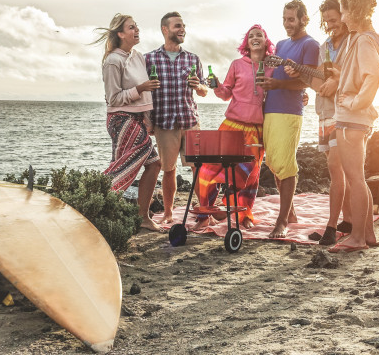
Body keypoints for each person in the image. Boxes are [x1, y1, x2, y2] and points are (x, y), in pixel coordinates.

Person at [193, 25, 276, 230]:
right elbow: (226, 94)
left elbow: (281, 92)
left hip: (256, 129)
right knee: (208, 169)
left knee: (249, 175)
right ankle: (205, 214)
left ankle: (243, 214)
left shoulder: (273, 67)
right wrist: (216, 86)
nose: (255, 38)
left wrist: (301, 96)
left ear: (266, 42)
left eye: (260, 35)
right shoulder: (237, 65)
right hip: (231, 125)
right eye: (251, 36)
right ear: (246, 44)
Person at [327, 0, 379, 253]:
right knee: (358, 177)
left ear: (356, 12)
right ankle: (369, 234)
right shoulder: (368, 39)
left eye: (344, 12)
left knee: (355, 180)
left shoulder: (363, 40)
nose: (342, 18)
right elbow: (362, 73)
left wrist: (352, 102)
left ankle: (357, 238)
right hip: (357, 118)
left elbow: (373, 76)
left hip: (352, 118)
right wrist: (343, 80)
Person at [293, 0, 353, 245]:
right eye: (326, 20)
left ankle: (331, 226)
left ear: (344, 17)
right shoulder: (325, 46)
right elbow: (318, 84)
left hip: (346, 113)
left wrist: (337, 81)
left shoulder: (353, 42)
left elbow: (356, 75)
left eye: (334, 19)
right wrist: (301, 73)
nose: (330, 24)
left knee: (336, 170)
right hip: (325, 113)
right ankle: (348, 220)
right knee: (338, 170)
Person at [94, 13, 162, 232]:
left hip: (138, 119)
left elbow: (147, 96)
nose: (137, 30)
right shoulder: (113, 61)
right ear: (120, 34)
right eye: (131, 27)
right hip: (120, 119)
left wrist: (148, 119)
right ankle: (95, 199)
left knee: (154, 164)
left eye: (137, 26)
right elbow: (113, 98)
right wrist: (140, 88)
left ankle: (142, 216)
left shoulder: (138, 56)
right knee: (125, 165)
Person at [258, 0, 319, 238]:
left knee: (286, 164)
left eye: (291, 19)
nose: (287, 24)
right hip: (270, 109)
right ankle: (290, 211)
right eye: (284, 19)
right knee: (273, 162)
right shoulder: (281, 45)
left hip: (289, 111)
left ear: (304, 19)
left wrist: (279, 84)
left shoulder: (310, 44)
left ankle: (281, 221)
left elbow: (307, 81)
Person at [145, 12, 209, 224]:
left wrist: (198, 85)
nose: (182, 30)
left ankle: (203, 213)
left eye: (183, 26)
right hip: (164, 123)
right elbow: (146, 93)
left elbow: (204, 90)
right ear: (165, 29)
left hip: (190, 121)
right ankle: (168, 214)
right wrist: (148, 120)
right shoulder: (150, 59)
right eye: (177, 26)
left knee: (197, 168)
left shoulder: (192, 59)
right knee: (168, 170)